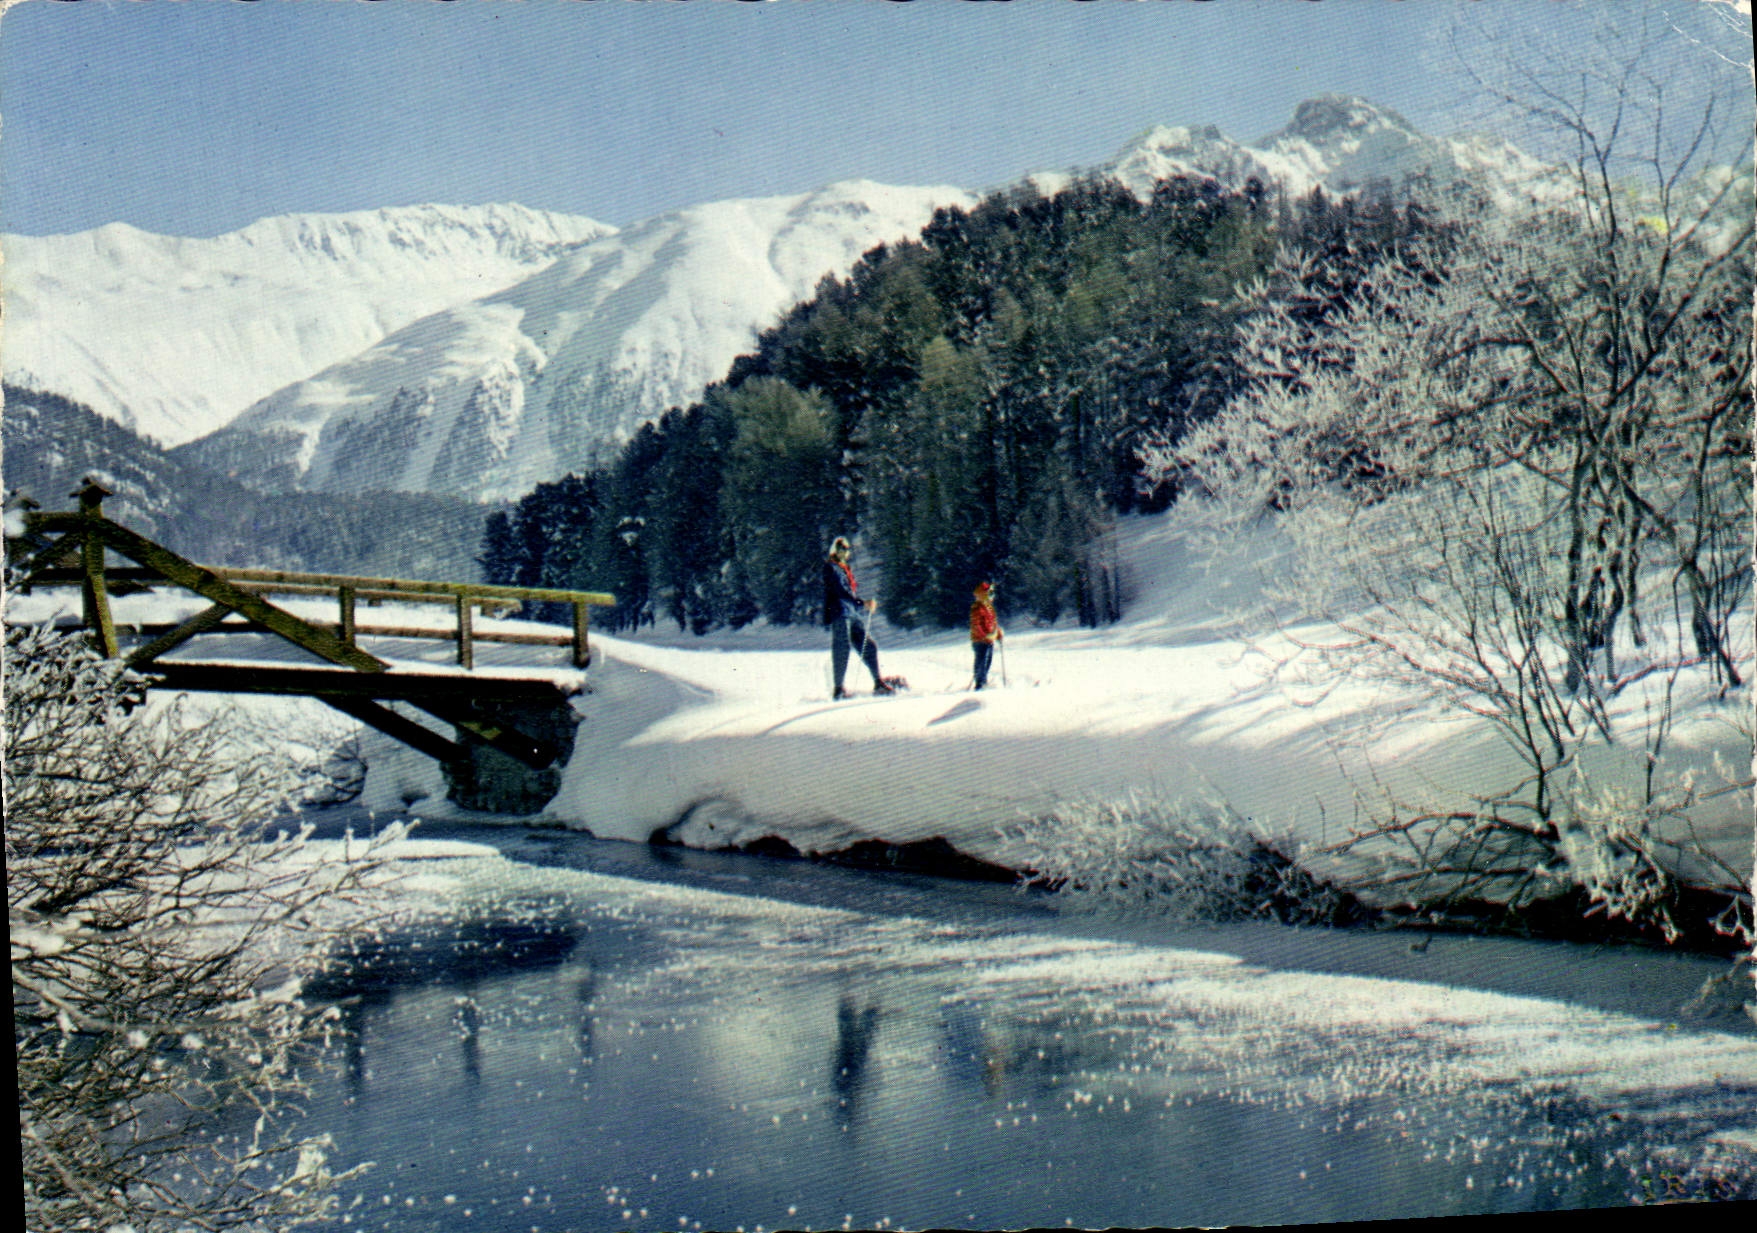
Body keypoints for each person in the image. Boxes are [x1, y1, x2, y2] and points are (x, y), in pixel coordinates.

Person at [822, 536, 891, 699]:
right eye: (840, 549)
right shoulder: (831, 568)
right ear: (834, 551)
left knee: (868, 645)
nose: (843, 552)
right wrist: (863, 603)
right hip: (840, 612)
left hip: (851, 612)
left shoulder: (844, 567)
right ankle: (838, 689)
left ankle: (878, 682)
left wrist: (859, 605)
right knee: (842, 648)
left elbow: (848, 591)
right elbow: (841, 591)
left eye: (845, 549)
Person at [969, 581, 1003, 690]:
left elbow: (993, 622)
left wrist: (998, 633)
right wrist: (984, 635)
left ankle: (983, 681)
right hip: (979, 640)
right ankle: (980, 683)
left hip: (989, 640)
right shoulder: (977, 608)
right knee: (981, 660)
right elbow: (976, 624)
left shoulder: (989, 608)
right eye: (989, 594)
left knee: (987, 660)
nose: (992, 596)